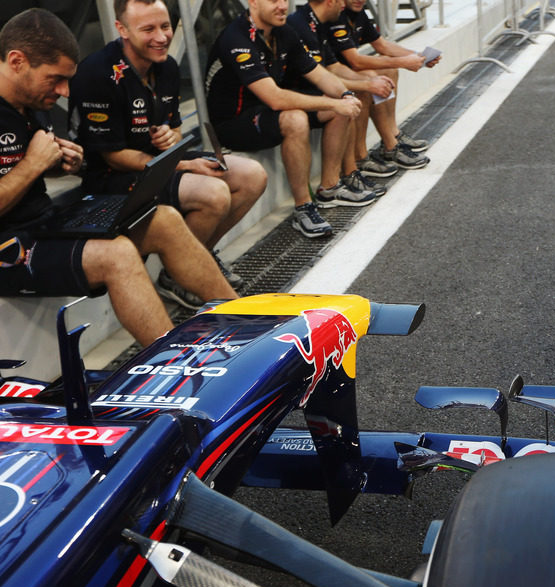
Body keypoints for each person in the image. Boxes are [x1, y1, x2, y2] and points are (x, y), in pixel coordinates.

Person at [0, 9, 237, 347]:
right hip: (9, 245)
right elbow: (22, 170)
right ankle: (169, 365)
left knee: (164, 219)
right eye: (55, 79)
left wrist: (58, 162)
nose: (65, 91)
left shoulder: (28, 100)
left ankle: (245, 317)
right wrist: (33, 164)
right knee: (119, 254)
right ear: (17, 61)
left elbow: (22, 165)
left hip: (43, 223)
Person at [69, 0, 268, 308]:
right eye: (148, 29)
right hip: (114, 177)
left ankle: (189, 266)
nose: (161, 37)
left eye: (164, 26)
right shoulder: (97, 73)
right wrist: (184, 164)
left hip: (161, 164)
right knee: (214, 194)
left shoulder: (167, 66)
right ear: (121, 29)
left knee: (252, 176)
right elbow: (113, 157)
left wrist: (170, 136)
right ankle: (184, 273)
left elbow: (173, 128)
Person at [205, 0, 374, 240]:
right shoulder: (237, 38)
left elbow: (318, 74)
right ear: (253, 2)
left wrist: (344, 95)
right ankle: (304, 207)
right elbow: (275, 99)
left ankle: (329, 188)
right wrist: (334, 102)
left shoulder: (283, 31)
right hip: (233, 123)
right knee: (296, 118)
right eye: (274, 0)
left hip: (266, 111)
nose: (283, 6)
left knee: (339, 108)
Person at [286, 0, 394, 194]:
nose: (343, 5)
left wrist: (367, 83)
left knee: (353, 95)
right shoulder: (300, 25)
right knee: (344, 103)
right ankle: (332, 185)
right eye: (340, 1)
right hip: (294, 95)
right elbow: (320, 74)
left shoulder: (316, 22)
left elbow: (334, 67)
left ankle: (364, 162)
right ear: (330, 2)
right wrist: (365, 85)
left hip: (310, 89)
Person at [322, 0, 435, 170]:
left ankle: (393, 134)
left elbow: (382, 45)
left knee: (389, 70)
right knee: (369, 79)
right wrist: (405, 61)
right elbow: (356, 61)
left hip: (345, 72)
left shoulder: (358, 12)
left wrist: (420, 57)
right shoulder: (335, 15)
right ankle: (372, 151)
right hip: (329, 78)